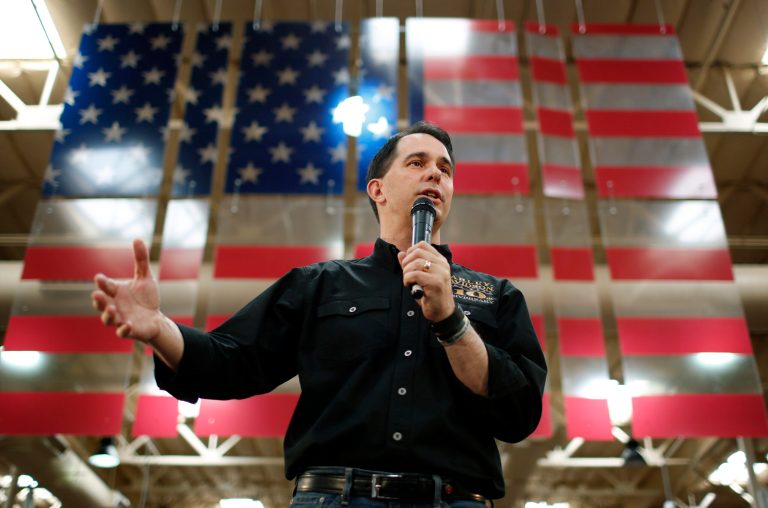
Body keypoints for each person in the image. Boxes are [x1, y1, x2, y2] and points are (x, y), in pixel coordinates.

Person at [92, 122, 547, 507]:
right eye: (417, 163)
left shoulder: (495, 296)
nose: (435, 174)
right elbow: (230, 362)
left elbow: (519, 412)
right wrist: (159, 328)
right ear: (378, 190)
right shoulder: (320, 285)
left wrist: (450, 318)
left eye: (445, 170)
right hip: (334, 497)